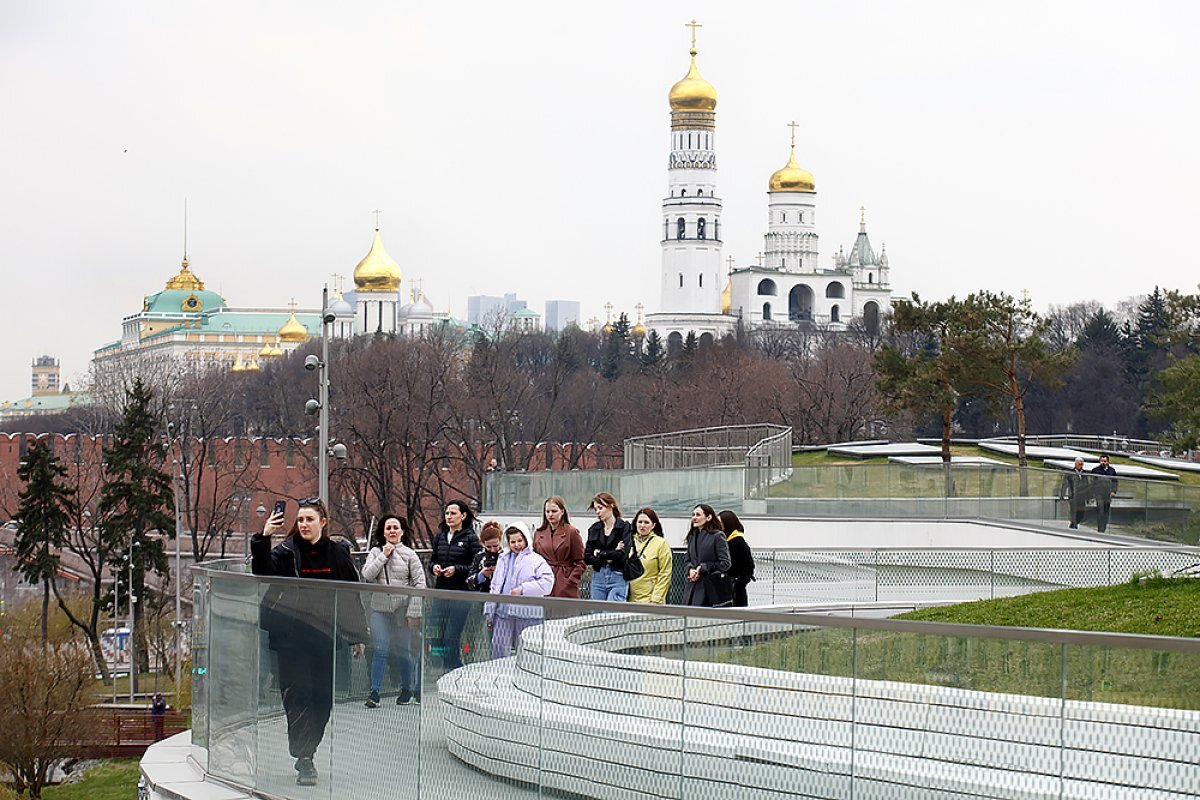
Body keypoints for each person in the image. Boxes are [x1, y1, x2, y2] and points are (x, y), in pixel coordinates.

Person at [252, 498, 366, 787]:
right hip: (290, 638)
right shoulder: (287, 551)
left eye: (309, 520)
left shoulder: (337, 552)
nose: (303, 525)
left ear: (323, 523)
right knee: (297, 695)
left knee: (322, 700)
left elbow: (352, 594)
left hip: (324, 637)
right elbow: (262, 572)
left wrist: (357, 636)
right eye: (300, 520)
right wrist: (264, 537)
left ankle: (308, 748)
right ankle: (305, 758)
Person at [361, 514, 425, 708]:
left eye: (395, 528)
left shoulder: (410, 554)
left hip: (402, 610)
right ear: (383, 532)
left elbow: (420, 583)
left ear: (402, 532)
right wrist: (384, 555)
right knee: (380, 649)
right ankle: (374, 692)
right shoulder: (375, 551)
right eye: (388, 528)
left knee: (404, 650)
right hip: (380, 609)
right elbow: (367, 575)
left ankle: (407, 688)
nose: (392, 531)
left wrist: (414, 611)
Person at [485, 521, 554, 657]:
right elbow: (495, 586)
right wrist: (489, 611)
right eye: (513, 542)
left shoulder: (536, 560)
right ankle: (500, 675)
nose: (517, 545)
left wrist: (523, 589)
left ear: (526, 539)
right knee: (498, 647)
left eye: (520, 541)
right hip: (503, 612)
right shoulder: (503, 559)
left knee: (527, 651)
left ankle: (526, 677)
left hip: (527, 613)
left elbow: (547, 583)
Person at [429, 500, 482, 671]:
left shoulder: (470, 538)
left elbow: (476, 566)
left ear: (463, 515)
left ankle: (455, 670)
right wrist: (434, 568)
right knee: (435, 635)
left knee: (452, 636)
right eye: (447, 513)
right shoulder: (440, 537)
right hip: (441, 592)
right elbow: (432, 561)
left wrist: (456, 569)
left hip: (461, 593)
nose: (449, 517)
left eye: (453, 513)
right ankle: (443, 668)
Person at [532, 496, 585, 599]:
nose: (550, 515)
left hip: (564, 580)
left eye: (554, 511)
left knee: (564, 612)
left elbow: (581, 561)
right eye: (547, 511)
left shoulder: (572, 532)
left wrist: (570, 581)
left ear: (562, 511)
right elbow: (534, 558)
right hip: (544, 579)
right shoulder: (538, 533)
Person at [584, 492, 632, 602]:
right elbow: (587, 557)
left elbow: (622, 555)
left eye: (600, 508)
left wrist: (599, 553)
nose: (598, 512)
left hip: (617, 575)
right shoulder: (594, 529)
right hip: (598, 576)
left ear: (611, 505)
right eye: (595, 509)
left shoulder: (624, 527)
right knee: (596, 615)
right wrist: (612, 553)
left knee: (613, 613)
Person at [683, 504, 733, 608]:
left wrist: (704, 568)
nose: (694, 518)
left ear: (708, 517)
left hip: (710, 589)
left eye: (698, 515)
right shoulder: (692, 536)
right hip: (692, 588)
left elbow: (725, 563)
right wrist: (690, 570)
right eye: (693, 515)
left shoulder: (717, 536)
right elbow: (687, 560)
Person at [627, 508, 673, 604]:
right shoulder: (628, 541)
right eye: (640, 522)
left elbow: (665, 573)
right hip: (628, 599)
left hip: (650, 600)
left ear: (653, 525)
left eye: (646, 522)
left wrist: (656, 599)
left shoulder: (661, 543)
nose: (642, 525)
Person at [718, 509, 756, 607]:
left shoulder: (738, 541)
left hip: (734, 589)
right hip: (726, 586)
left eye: (720, 523)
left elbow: (749, 565)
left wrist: (739, 584)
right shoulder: (723, 540)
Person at [468, 521, 505, 593]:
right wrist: (481, 575)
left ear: (500, 541)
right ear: (483, 543)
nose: (492, 550)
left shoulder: (505, 556)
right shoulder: (479, 557)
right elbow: (469, 583)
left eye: (495, 546)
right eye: (488, 547)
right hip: (483, 596)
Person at [1058, 457, 1090, 529]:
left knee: (1081, 513)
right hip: (1073, 496)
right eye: (1079, 464)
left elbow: (1087, 485)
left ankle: (1073, 524)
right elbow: (1064, 484)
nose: (1081, 466)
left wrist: (1088, 497)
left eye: (1082, 464)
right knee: (1074, 512)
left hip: (1082, 496)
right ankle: (1074, 526)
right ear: (1075, 464)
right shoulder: (1070, 473)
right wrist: (1062, 496)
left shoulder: (1084, 473)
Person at [1091, 454, 1119, 533]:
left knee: (1106, 511)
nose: (1103, 462)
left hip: (1108, 494)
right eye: (1102, 461)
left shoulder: (1112, 471)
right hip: (1099, 494)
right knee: (1100, 510)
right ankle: (1100, 529)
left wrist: (1114, 491)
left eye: (1105, 461)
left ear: (1108, 462)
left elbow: (1115, 482)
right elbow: (1092, 482)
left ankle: (1104, 528)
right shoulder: (1095, 470)